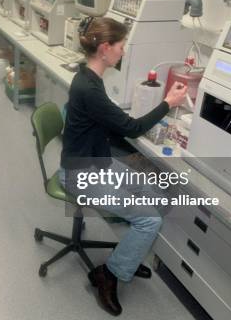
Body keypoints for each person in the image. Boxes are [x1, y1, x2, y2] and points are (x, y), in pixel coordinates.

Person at [59, 17, 187, 316]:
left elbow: (109, 118)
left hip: (98, 163)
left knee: (154, 194)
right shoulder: (89, 88)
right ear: (105, 48)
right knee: (150, 220)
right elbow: (131, 128)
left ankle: (126, 256)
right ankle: (110, 274)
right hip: (80, 175)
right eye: (121, 45)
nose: (123, 51)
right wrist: (168, 102)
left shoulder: (88, 76)